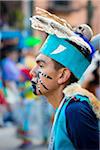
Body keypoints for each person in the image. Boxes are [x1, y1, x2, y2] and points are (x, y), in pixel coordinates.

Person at [30, 8, 99, 150]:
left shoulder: (76, 111)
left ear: (62, 75)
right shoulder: (68, 107)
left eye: (41, 66)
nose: (32, 72)